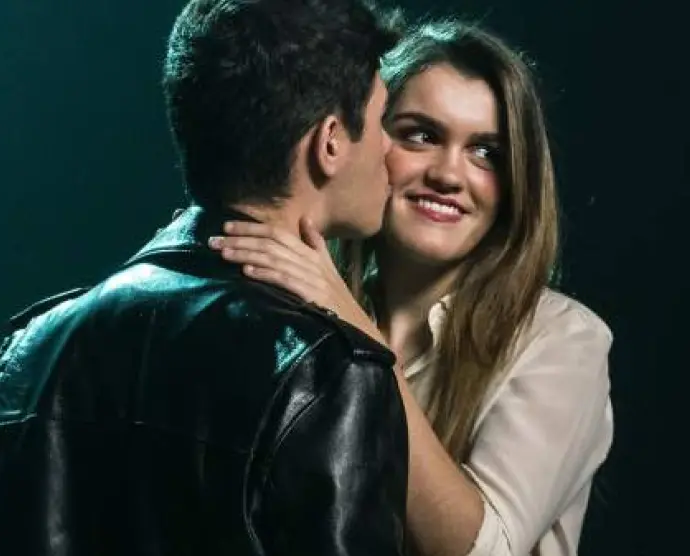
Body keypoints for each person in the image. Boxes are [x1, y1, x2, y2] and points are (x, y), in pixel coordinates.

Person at [0, 1, 409, 555]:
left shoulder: (27, 356)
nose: (391, 150)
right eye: (382, 121)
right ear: (330, 141)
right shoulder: (328, 373)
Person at [209, 17, 614, 556]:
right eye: (422, 135)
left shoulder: (564, 339)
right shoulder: (304, 311)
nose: (448, 175)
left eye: (486, 153)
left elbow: (487, 551)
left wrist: (356, 333)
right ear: (365, 140)